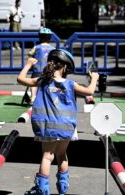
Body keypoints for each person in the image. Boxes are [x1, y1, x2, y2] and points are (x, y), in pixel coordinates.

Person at [17, 49, 99, 195]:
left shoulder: (42, 81)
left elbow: (20, 79)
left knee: (47, 156)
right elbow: (90, 91)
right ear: (65, 67)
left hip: (48, 127)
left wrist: (29, 65)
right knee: (62, 154)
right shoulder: (71, 84)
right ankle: (62, 188)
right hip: (66, 127)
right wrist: (94, 78)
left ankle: (42, 189)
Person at [27, 27, 55, 103]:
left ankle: (33, 97)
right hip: (48, 70)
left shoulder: (36, 47)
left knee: (33, 83)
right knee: (49, 83)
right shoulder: (53, 48)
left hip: (37, 69)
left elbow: (29, 54)